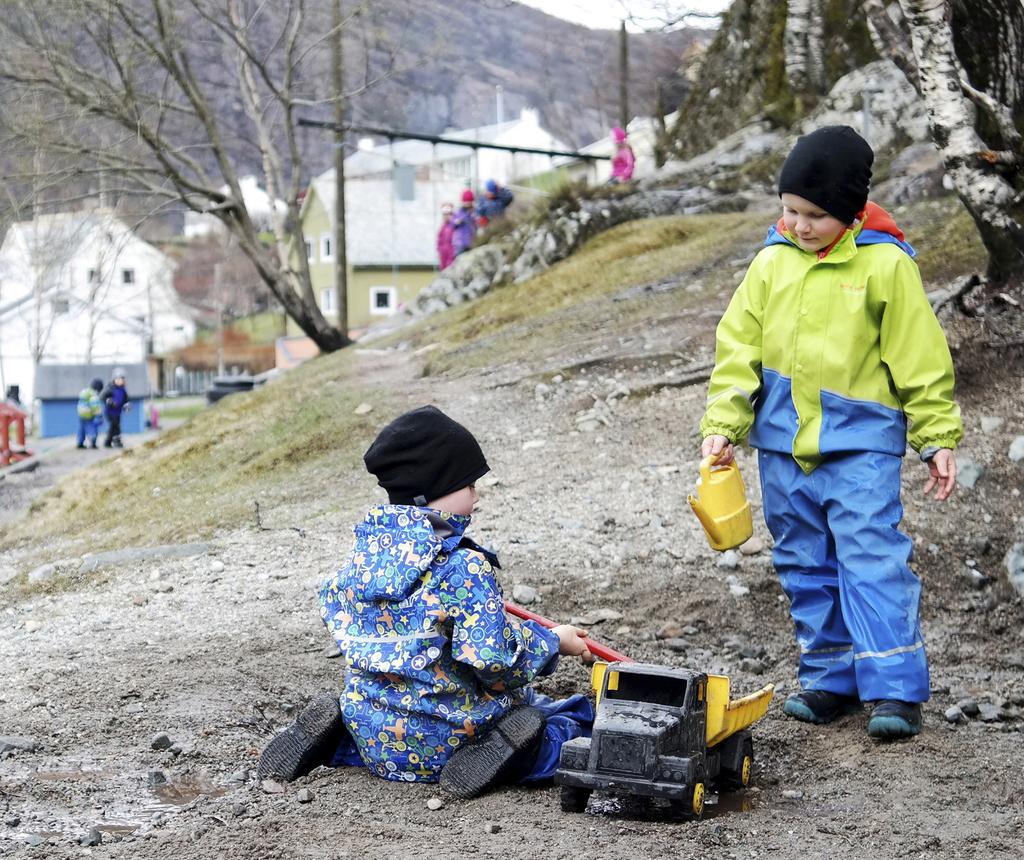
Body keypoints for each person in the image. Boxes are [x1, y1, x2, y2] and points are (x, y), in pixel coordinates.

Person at [698, 125, 963, 741]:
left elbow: (920, 359)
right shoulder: (770, 263)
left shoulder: (885, 265)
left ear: (850, 212)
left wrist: (936, 435)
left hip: (860, 443)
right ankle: (830, 677)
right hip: (783, 445)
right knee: (801, 559)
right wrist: (724, 424)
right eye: (789, 210)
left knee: (871, 556)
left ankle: (893, 686)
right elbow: (737, 349)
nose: (798, 224)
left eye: (815, 214)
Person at [259, 405, 595, 798]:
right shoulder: (463, 568)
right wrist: (554, 641)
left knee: (378, 726)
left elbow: (346, 614)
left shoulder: (364, 558)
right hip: (453, 735)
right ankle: (496, 753)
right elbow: (494, 663)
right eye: (470, 485)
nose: (478, 495)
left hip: (378, 738)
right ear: (438, 491)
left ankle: (339, 739)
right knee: (569, 721)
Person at [100, 369, 131, 449]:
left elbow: (126, 400)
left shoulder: (123, 390)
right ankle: (110, 441)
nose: (120, 381)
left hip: (117, 412)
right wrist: (109, 401)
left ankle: (111, 441)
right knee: (114, 425)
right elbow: (103, 396)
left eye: (122, 379)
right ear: (114, 380)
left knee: (116, 426)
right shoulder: (110, 388)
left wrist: (126, 406)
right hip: (109, 412)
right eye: (118, 379)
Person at [75, 378, 104, 449]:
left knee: (82, 429)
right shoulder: (93, 395)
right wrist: (99, 415)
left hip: (81, 414)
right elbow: (95, 406)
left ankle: (80, 442)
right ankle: (93, 442)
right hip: (89, 415)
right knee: (91, 428)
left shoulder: (84, 392)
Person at [450, 189, 478, 257]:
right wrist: (458, 222)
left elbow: (477, 224)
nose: (467, 203)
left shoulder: (475, 212)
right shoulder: (458, 212)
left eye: (469, 201)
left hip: (471, 242)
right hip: (460, 243)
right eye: (465, 201)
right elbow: (452, 224)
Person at [436, 202, 455, 270]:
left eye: (448, 214)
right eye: (444, 214)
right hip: (443, 252)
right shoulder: (442, 227)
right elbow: (439, 240)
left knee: (450, 267)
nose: (446, 216)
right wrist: (439, 249)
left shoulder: (453, 226)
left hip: (451, 252)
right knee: (443, 267)